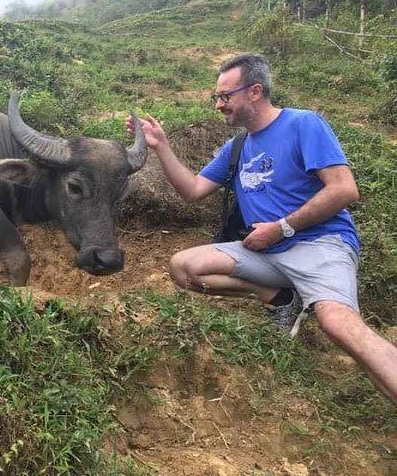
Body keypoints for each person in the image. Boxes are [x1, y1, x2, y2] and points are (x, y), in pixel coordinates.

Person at [126, 53, 397, 404]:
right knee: (184, 267)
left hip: (321, 244)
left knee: (338, 324)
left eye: (225, 96)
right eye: (216, 98)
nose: (219, 105)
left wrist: (282, 227)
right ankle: (284, 297)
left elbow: (344, 189)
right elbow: (192, 191)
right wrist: (161, 146)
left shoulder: (304, 124)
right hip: (267, 253)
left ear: (255, 91)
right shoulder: (237, 146)